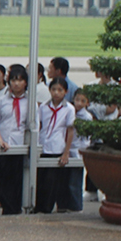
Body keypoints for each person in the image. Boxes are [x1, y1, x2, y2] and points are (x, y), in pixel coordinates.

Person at [0, 64, 31, 215]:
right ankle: (6, 206)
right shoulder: (3, 101)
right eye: (13, 80)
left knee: (16, 178)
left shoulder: (29, 102)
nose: (16, 84)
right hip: (3, 143)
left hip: (18, 144)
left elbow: (33, 124)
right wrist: (0, 140)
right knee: (2, 178)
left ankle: (15, 208)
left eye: (20, 80)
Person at [37, 78, 77, 214]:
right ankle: (39, 207)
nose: (56, 93)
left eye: (60, 90)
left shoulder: (69, 109)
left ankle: (48, 207)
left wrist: (66, 152)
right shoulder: (43, 107)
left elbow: (70, 130)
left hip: (58, 147)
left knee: (52, 181)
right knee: (41, 179)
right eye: (53, 89)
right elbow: (40, 125)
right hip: (44, 145)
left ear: (66, 92)